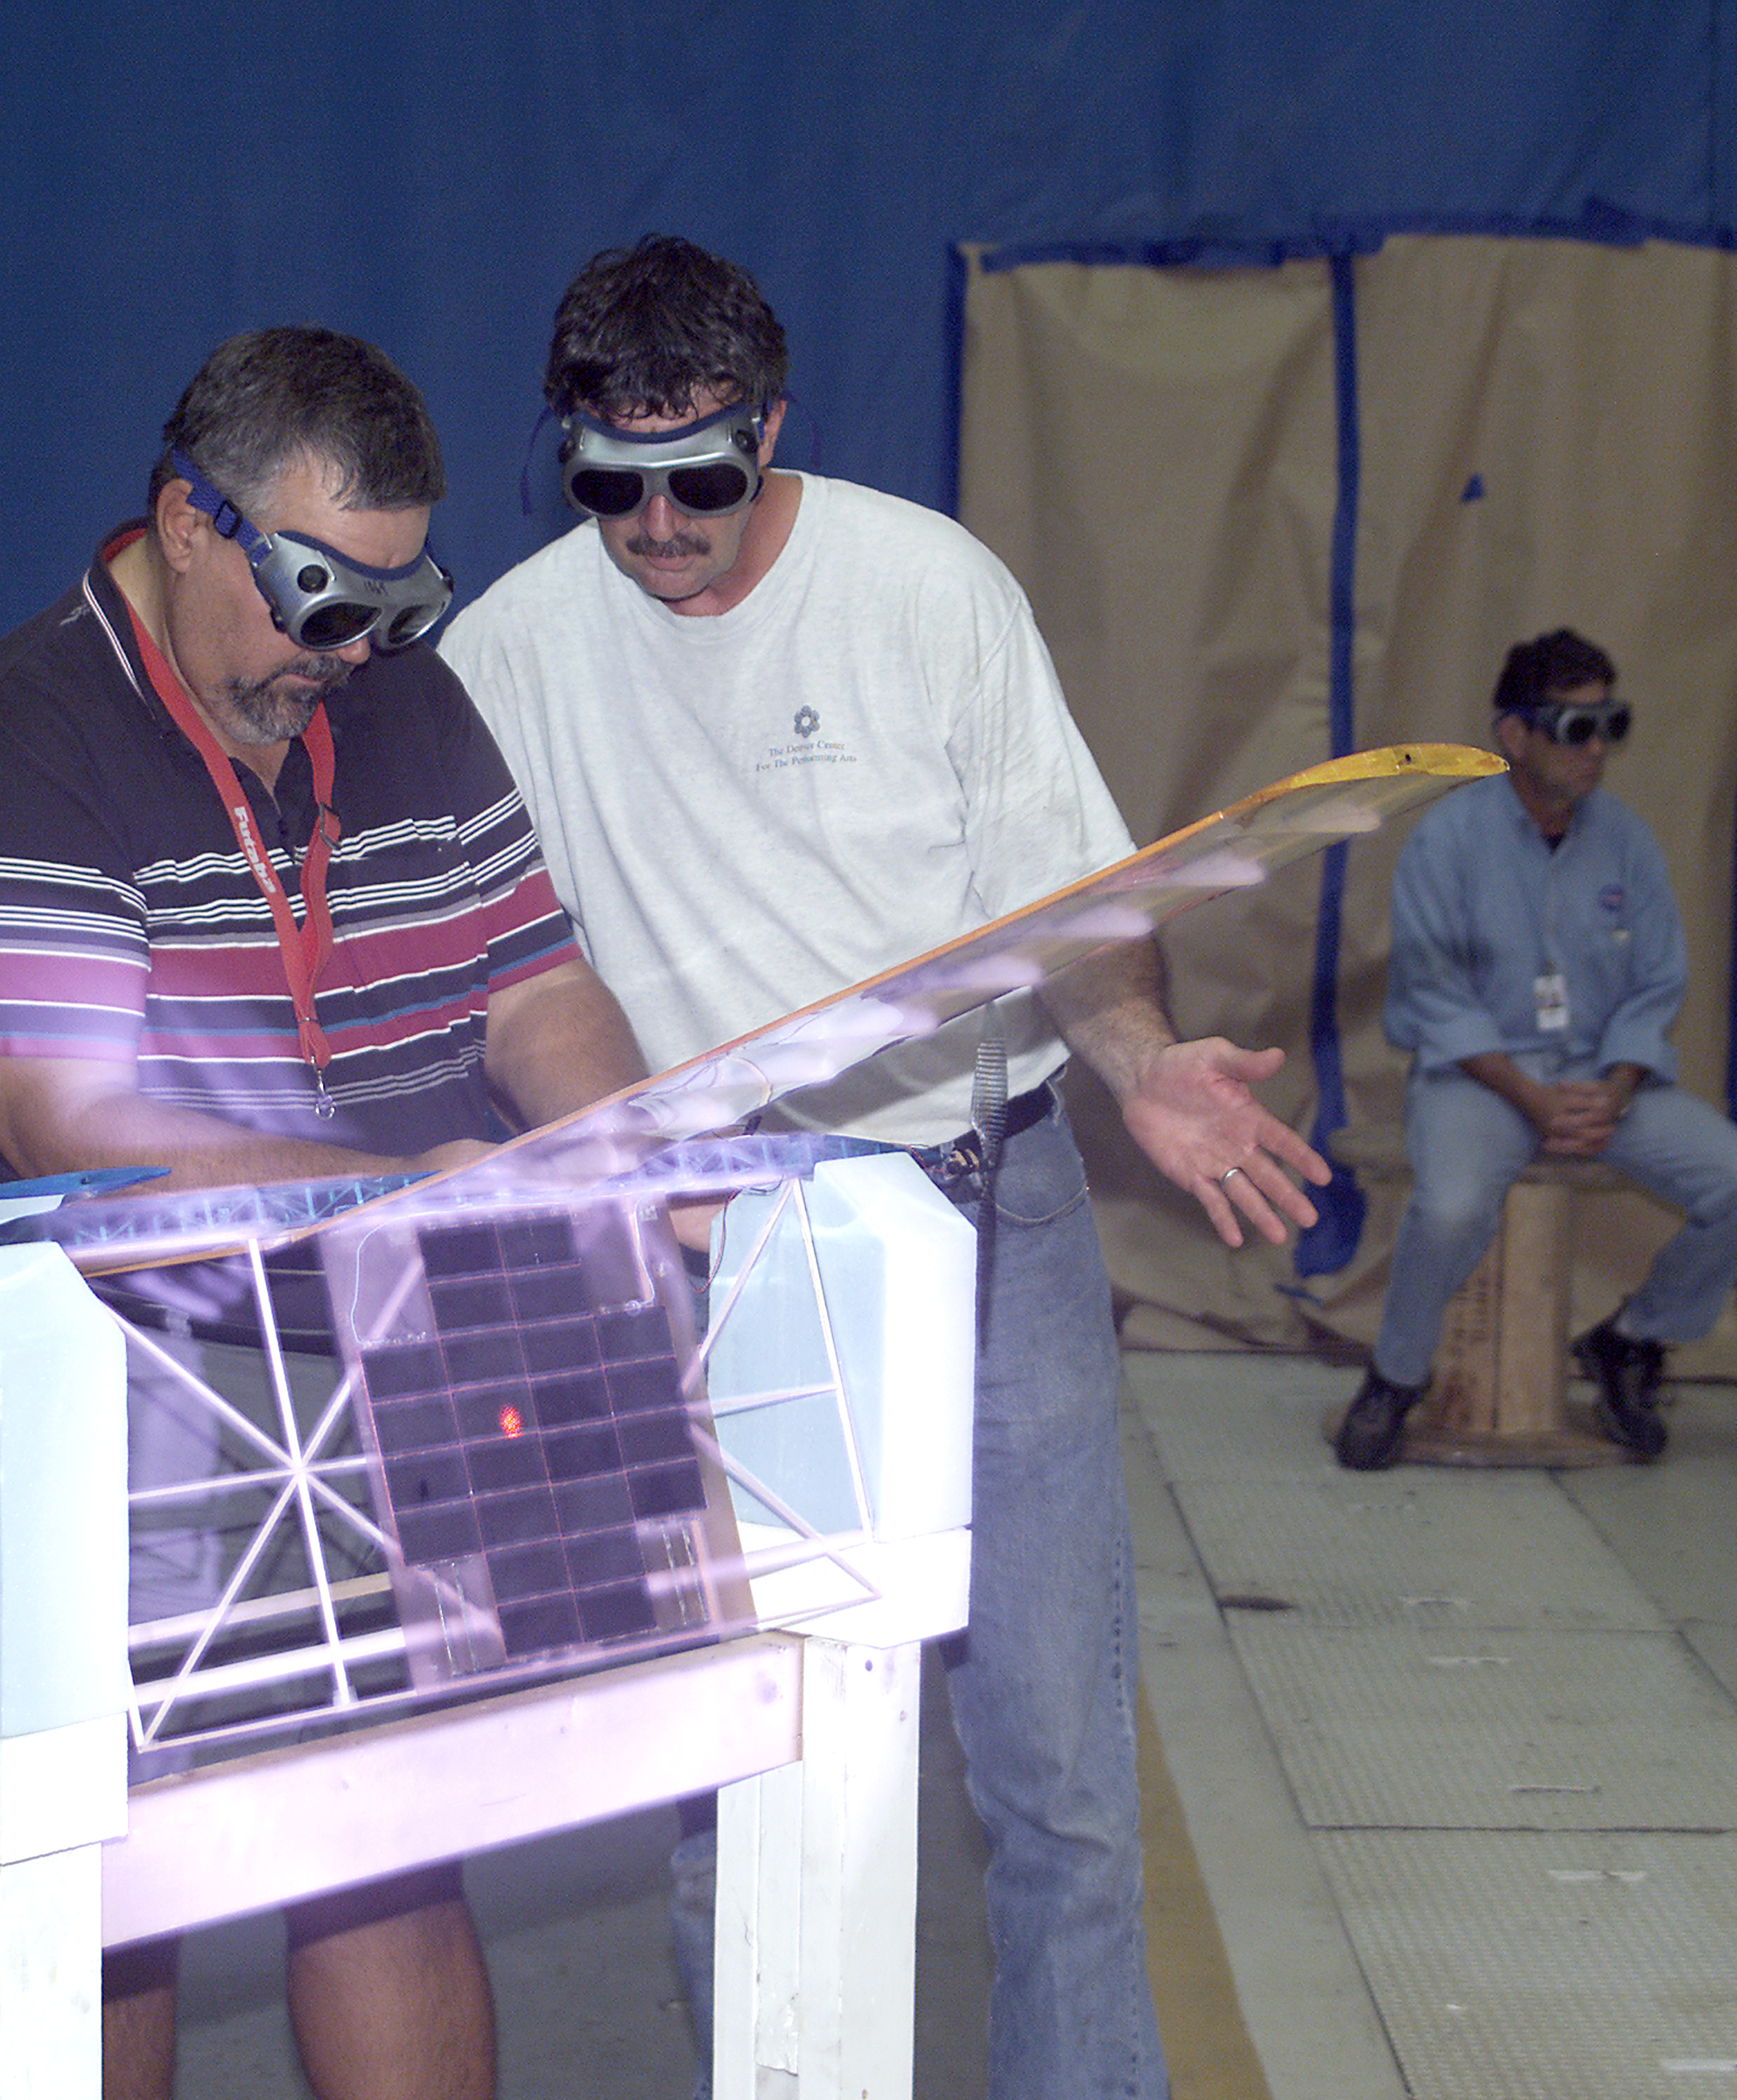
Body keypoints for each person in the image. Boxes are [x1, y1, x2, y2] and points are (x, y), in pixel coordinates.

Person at [440, 234, 1328, 2100]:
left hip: (980, 1202)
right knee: (743, 1780)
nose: (662, 524)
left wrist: (1148, 1063)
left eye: (706, 475)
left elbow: (1063, 907)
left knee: (1060, 1777)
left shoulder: (926, 593)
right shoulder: (509, 654)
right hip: (715, 1248)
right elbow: (473, 975)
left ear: (778, 430)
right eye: (616, 480)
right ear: (568, 449)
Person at [0, 325, 655, 2100]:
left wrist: (626, 1157)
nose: (353, 651)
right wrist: (407, 1192)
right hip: (82, 1388)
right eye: (319, 595)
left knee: (385, 1832)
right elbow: (79, 1134)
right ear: (187, 521)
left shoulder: (399, 703)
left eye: (399, 599)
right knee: (100, 1868)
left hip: (365, 1356)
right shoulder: (8, 748)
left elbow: (532, 992)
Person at [1337, 628, 1737, 1469]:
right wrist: (1527, 1095)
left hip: (1604, 1082)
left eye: (1610, 725)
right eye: (1574, 727)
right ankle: (1394, 1377)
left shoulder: (1627, 840)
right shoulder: (1446, 841)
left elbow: (1658, 982)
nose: (1596, 749)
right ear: (1513, 735)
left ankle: (1634, 1339)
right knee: (1448, 1209)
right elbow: (1431, 995)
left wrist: (1620, 1085)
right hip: (1479, 1080)